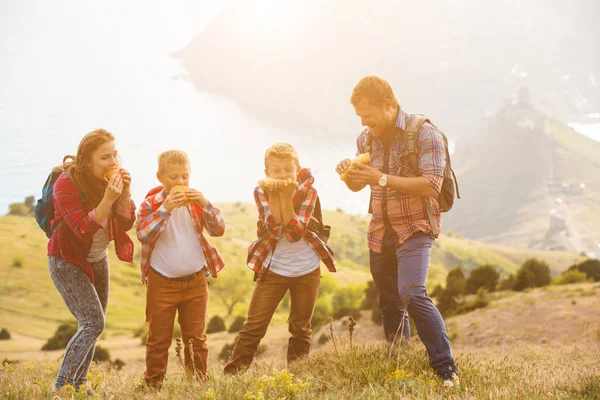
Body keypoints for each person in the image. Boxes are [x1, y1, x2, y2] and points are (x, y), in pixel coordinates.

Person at [335, 75, 459, 387]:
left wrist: (381, 178)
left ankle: (447, 371)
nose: (364, 122)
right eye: (359, 117)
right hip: (380, 230)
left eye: (368, 115)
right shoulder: (366, 139)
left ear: (388, 105)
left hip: (415, 227)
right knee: (389, 302)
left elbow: (432, 184)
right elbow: (356, 185)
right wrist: (347, 174)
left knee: (412, 294)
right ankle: (399, 366)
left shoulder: (424, 133)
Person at [224, 142, 335, 375]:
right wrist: (277, 196)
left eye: (288, 170)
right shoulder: (260, 191)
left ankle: (297, 377)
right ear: (267, 174)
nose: (283, 175)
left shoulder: (309, 191)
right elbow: (272, 230)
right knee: (253, 326)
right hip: (274, 269)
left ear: (297, 169)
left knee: (301, 328)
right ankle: (232, 376)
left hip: (307, 269)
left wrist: (286, 198)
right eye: (277, 171)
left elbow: (295, 233)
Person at [47, 129, 136, 394]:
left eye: (114, 155)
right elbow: (81, 228)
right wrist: (109, 199)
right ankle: (63, 388)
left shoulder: (111, 181)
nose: (112, 163)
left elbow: (127, 221)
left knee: (93, 325)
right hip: (67, 261)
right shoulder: (65, 184)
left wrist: (125, 194)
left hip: (98, 259)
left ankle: (79, 383)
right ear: (87, 159)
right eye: (105, 157)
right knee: (93, 322)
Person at [136, 150, 225, 389]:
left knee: (196, 339)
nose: (180, 182)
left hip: (196, 281)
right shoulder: (150, 205)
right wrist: (165, 208)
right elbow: (143, 235)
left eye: (184, 176)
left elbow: (219, 229)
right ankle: (153, 385)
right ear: (160, 177)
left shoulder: (196, 204)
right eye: (173, 177)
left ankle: (197, 384)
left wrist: (206, 204)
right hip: (162, 282)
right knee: (158, 339)